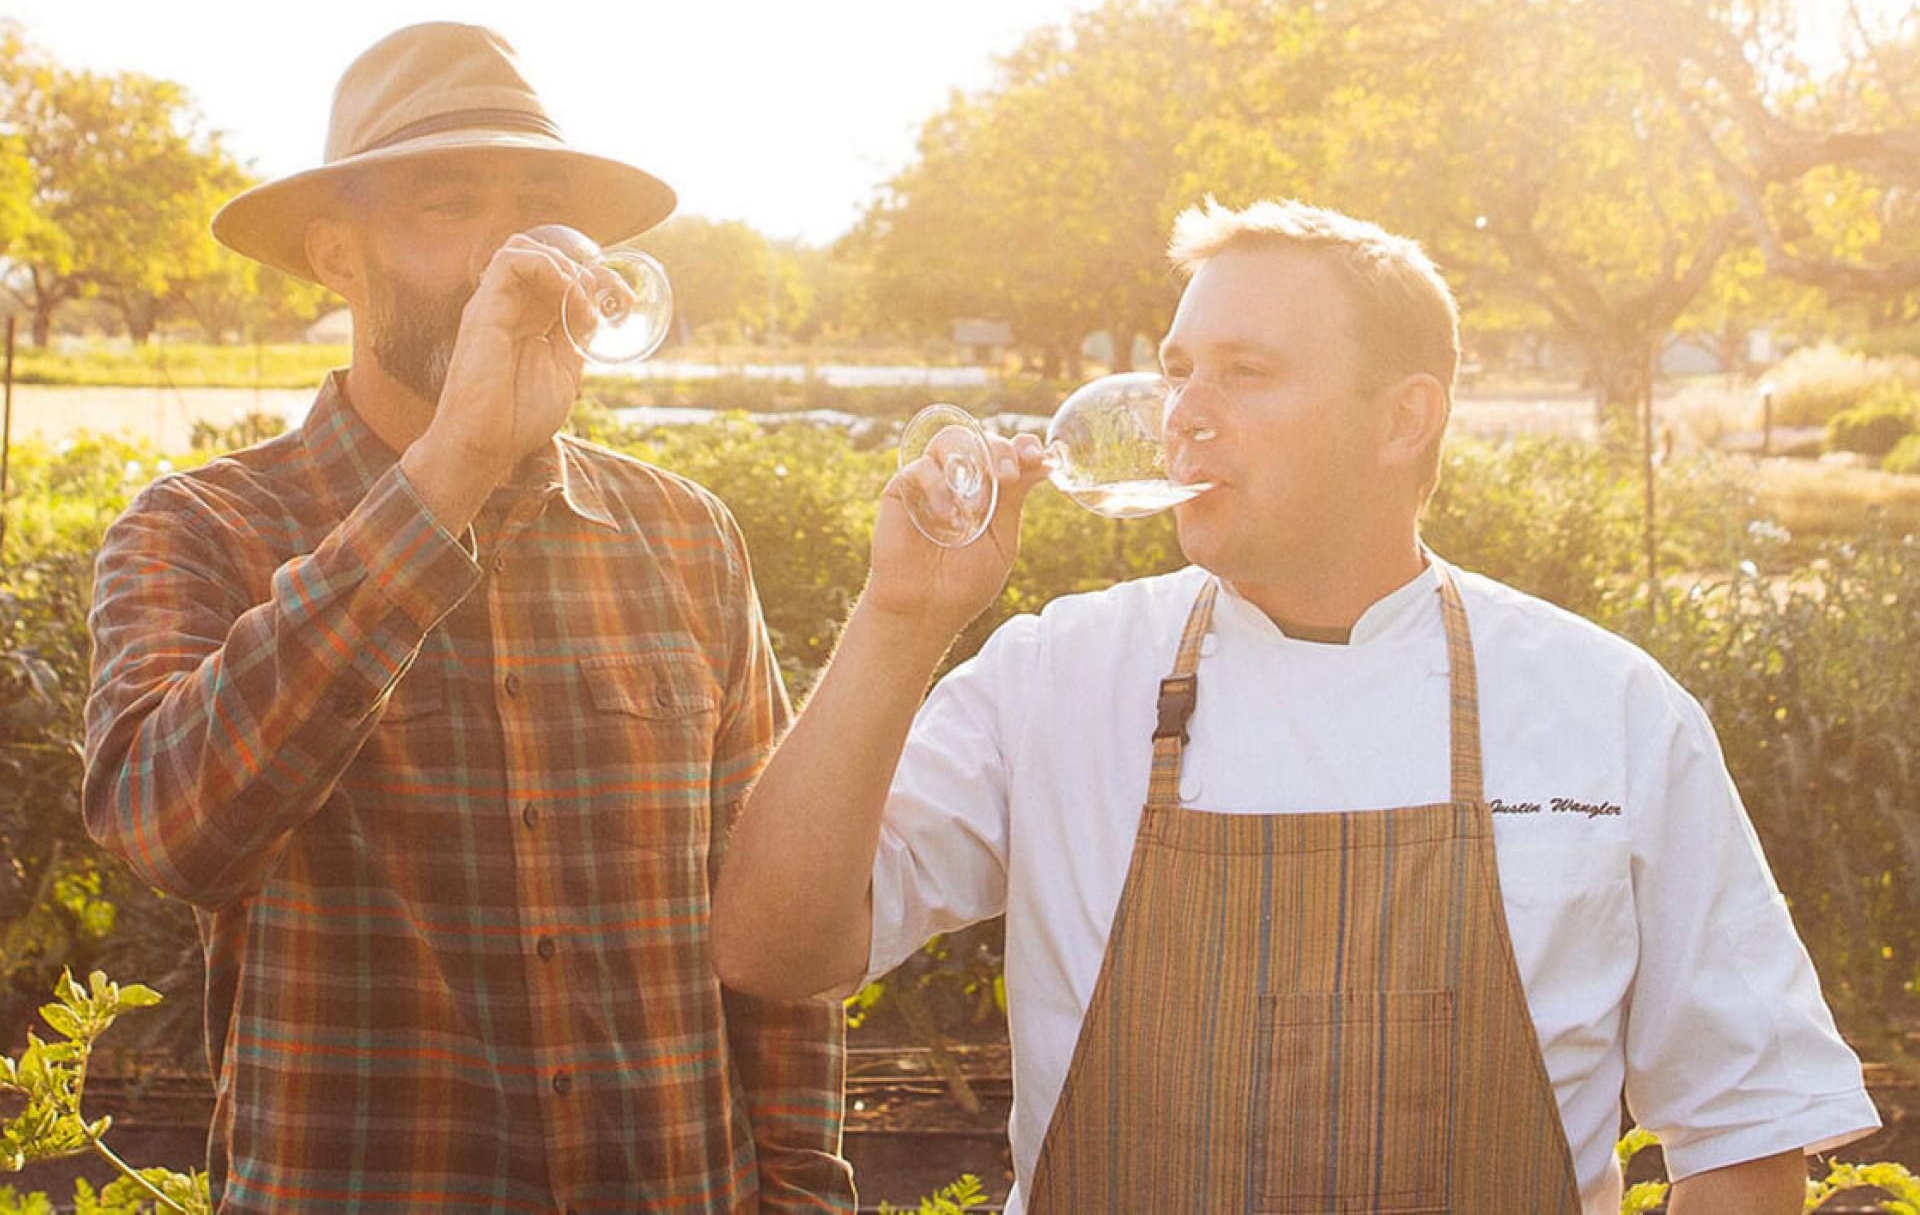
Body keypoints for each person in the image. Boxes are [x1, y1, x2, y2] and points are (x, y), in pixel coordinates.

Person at [710, 199, 1881, 1213]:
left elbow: (1749, 1133)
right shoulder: (1056, 675)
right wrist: (902, 619)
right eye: (1179, 371)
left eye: (1245, 372)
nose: (1184, 412)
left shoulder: (1609, 708)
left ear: (1402, 417)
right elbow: (776, 944)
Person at [83, 22, 852, 1213]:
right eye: (453, 207)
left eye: (540, 213)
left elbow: (771, 927)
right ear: (337, 258)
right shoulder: (200, 528)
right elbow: (174, 829)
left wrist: (802, 1196)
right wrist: (448, 471)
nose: (516, 259)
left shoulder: (685, 535)